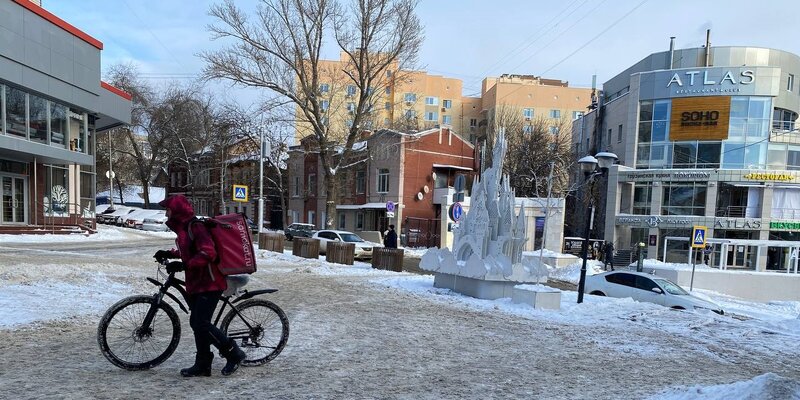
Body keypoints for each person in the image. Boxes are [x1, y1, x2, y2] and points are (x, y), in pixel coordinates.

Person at [153, 195, 246, 378]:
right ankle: (203, 364)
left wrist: (185, 265)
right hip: (197, 283)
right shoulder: (184, 228)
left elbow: (207, 253)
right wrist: (171, 254)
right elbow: (190, 250)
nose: (166, 213)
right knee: (197, 323)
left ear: (177, 211)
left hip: (210, 282)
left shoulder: (196, 226)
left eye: (168, 209)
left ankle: (234, 354)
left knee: (200, 323)